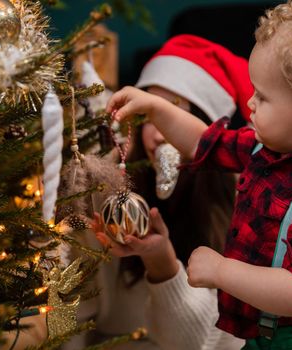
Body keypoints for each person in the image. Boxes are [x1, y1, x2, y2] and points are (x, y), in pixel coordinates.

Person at [106, 0, 292, 348]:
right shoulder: (264, 149)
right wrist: (157, 108)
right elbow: (202, 143)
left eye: (262, 96)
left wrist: (222, 271)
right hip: (261, 330)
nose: (250, 104)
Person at [68, 35, 251, 350]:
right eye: (147, 116)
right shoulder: (104, 186)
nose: (156, 133)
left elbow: (221, 342)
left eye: (172, 114)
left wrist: (162, 263)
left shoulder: (245, 200)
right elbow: (76, 302)